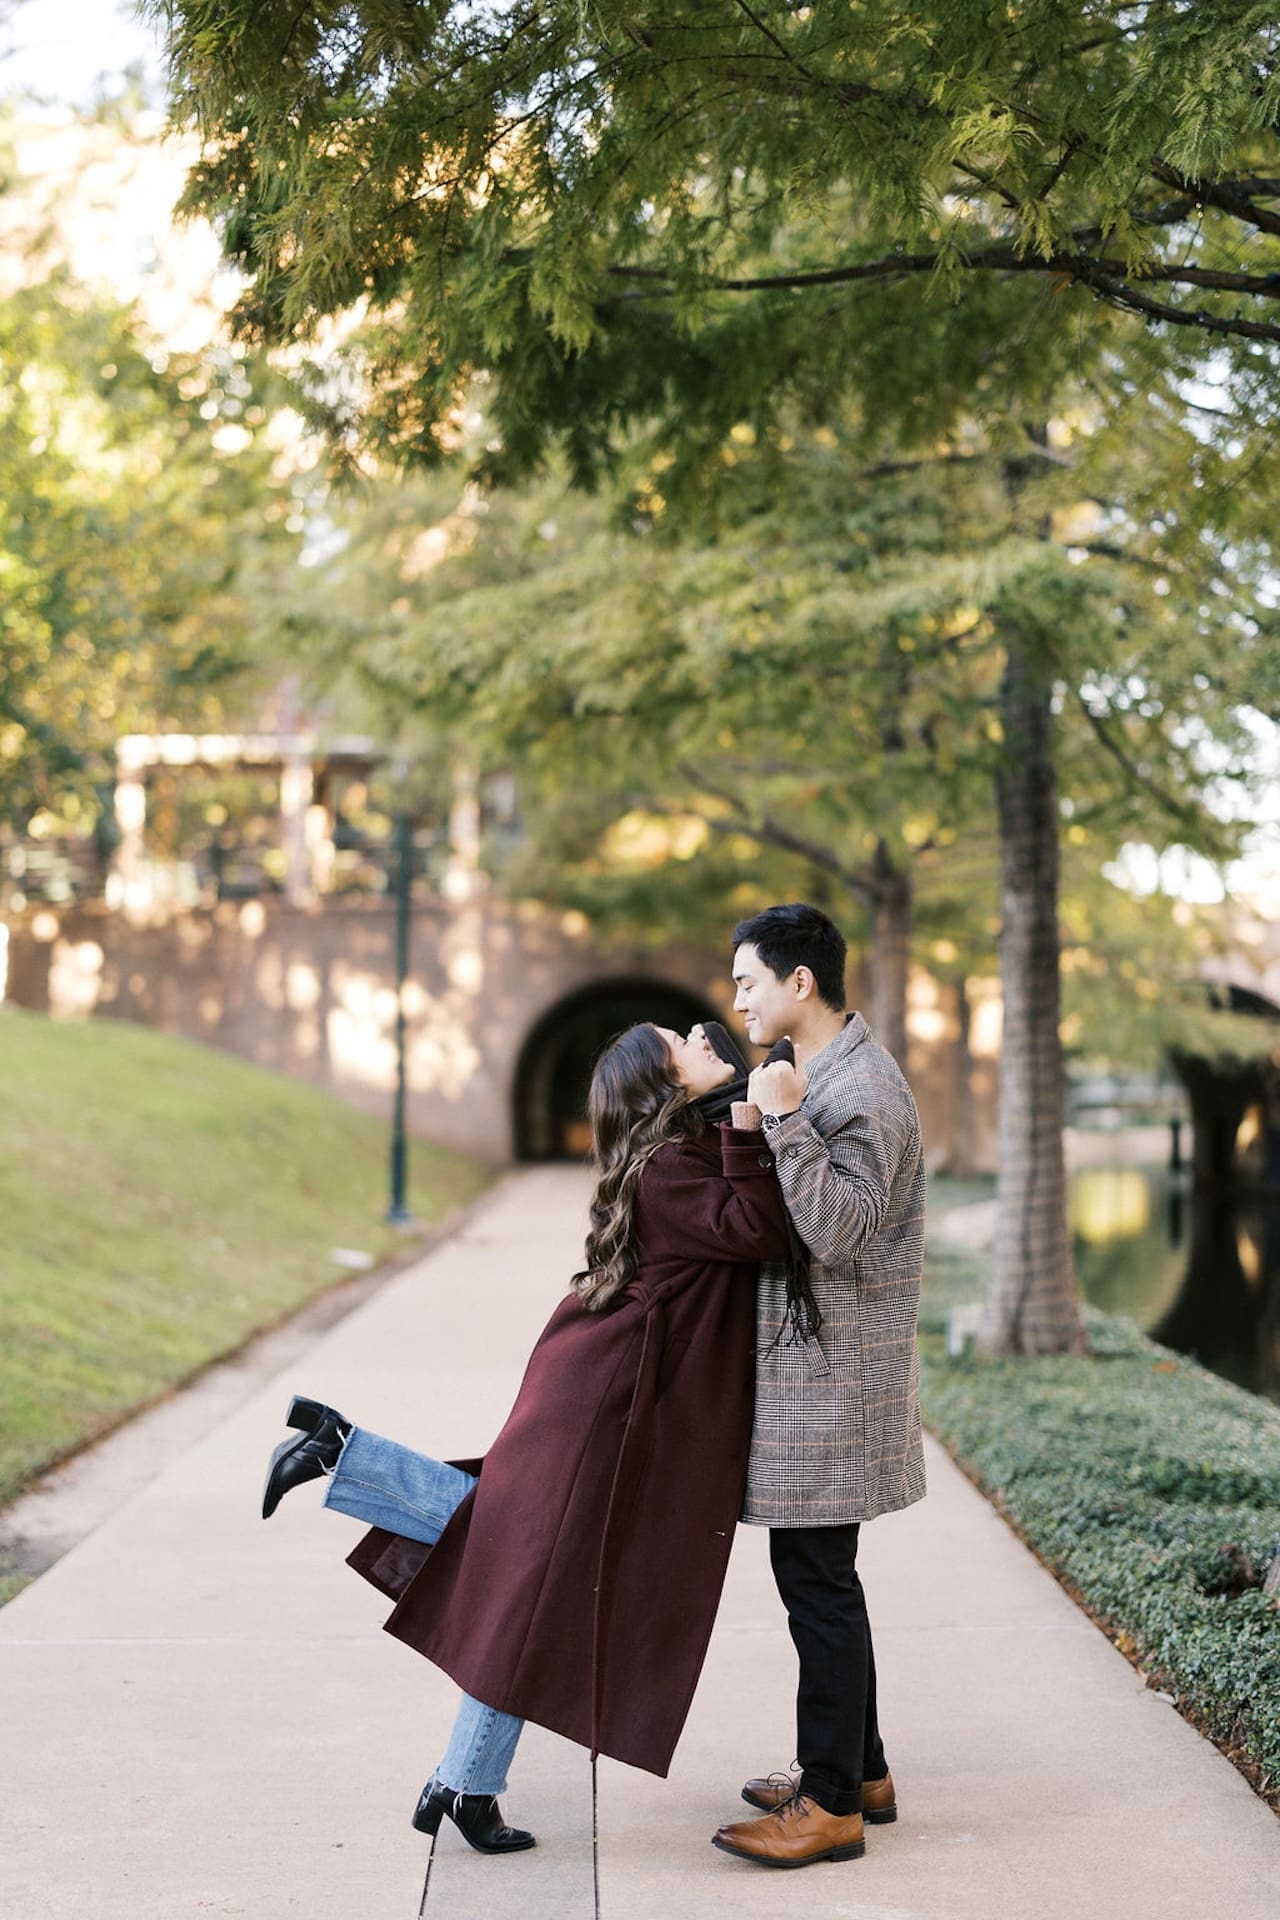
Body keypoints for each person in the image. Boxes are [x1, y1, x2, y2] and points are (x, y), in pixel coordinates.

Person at [260, 1020, 790, 1854]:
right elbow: (760, 1232)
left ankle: (463, 1782)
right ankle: (463, 1783)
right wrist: (756, 1126)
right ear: (662, 1082)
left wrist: (753, 1105)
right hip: (607, 1401)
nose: (700, 1033)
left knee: (523, 1567)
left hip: (598, 1382)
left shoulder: (673, 1153)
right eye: (679, 1040)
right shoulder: (672, 1168)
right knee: (532, 1573)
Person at [710, 903, 927, 1871]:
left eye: (748, 980)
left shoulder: (860, 1091)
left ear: (801, 984)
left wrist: (787, 1120)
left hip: (838, 1375)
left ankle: (830, 1801)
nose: (736, 999)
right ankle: (860, 1767)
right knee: (823, 1579)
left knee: (815, 1585)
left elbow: (838, 1228)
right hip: (819, 1366)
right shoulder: (821, 1072)